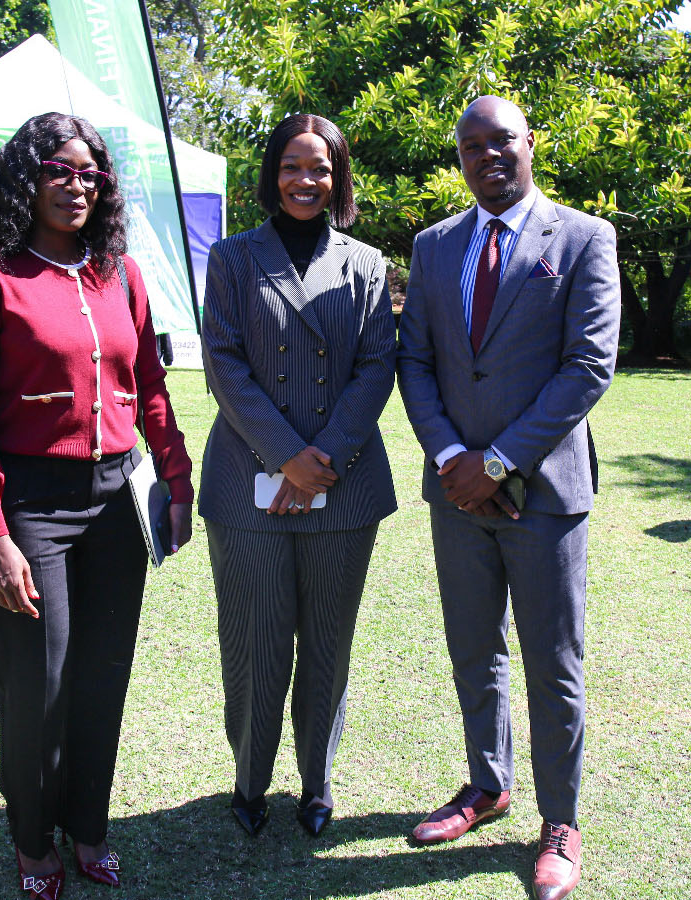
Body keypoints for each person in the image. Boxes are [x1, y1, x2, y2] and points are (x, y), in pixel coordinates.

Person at [0, 112, 195, 898]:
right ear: (27, 177)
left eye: (89, 174)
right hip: (29, 507)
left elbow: (150, 385)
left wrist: (177, 478)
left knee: (102, 676)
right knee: (39, 685)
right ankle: (32, 839)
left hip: (116, 503)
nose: (76, 185)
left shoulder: (120, 273)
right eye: (59, 170)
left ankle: (88, 824)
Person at [396, 96, 620, 900]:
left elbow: (588, 366)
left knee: (553, 663)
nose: (487, 156)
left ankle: (560, 821)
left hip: (544, 496)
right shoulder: (433, 247)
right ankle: (488, 784)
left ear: (530, 143)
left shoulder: (586, 237)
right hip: (456, 494)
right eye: (471, 146)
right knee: (473, 649)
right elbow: (415, 361)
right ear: (459, 158)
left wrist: (496, 462)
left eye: (502, 141)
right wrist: (454, 458)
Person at [199, 113, 397, 839]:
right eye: (291, 166)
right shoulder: (231, 258)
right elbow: (223, 361)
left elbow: (377, 365)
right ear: (271, 174)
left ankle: (318, 783)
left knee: (326, 646)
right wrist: (286, 455)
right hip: (246, 485)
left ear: (338, 178)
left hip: (342, 488)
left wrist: (321, 462)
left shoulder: (367, 264)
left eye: (320, 168)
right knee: (254, 643)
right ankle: (250, 781)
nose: (305, 180)